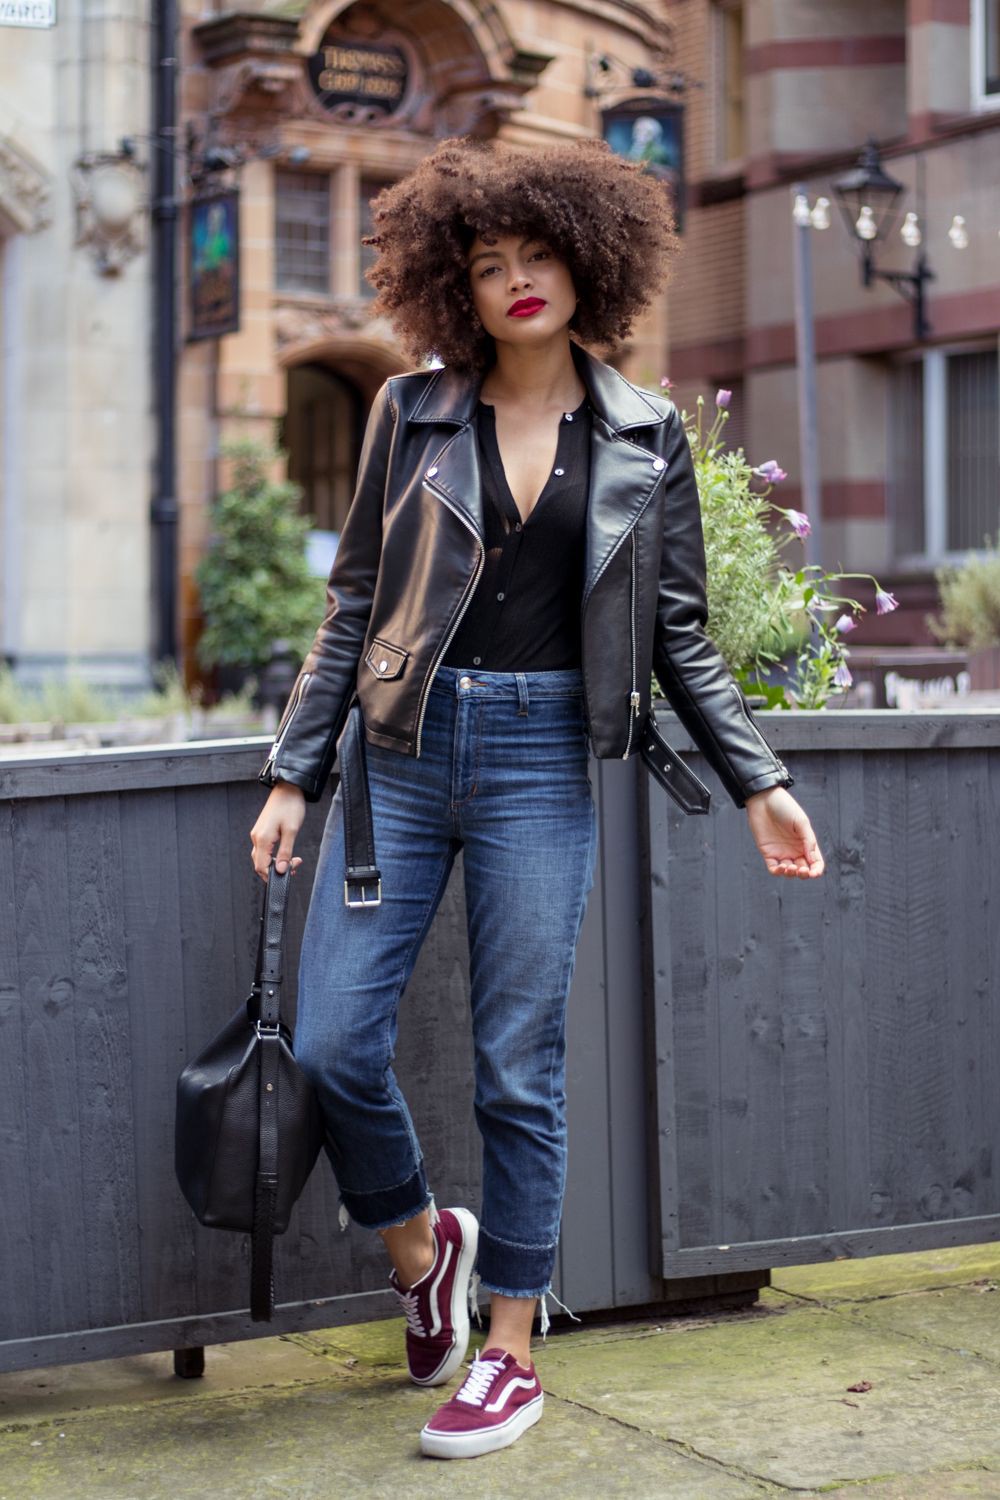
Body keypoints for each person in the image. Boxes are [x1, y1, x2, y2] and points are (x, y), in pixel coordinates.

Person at [249, 134, 825, 1461]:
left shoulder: (642, 432)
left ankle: (508, 1346)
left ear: (588, 263)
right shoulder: (411, 411)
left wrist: (761, 783)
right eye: (489, 263)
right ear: (458, 284)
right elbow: (353, 608)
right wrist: (293, 771)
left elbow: (677, 631)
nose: (516, 281)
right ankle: (417, 1244)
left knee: (521, 1065)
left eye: (538, 256)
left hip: (538, 760)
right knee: (336, 1040)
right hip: (395, 755)